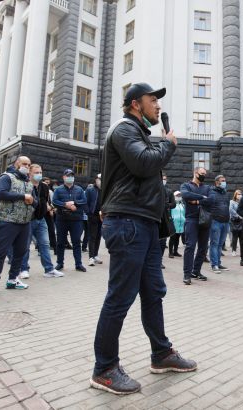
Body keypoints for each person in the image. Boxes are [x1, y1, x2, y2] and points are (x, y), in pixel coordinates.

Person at [92, 82, 195, 395]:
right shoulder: (124, 130)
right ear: (136, 104)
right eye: (153, 100)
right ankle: (104, 368)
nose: (158, 106)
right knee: (120, 296)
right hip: (128, 223)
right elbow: (142, 163)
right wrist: (168, 145)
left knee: (153, 292)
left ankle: (161, 353)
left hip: (146, 225)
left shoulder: (140, 135)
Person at [0, 157, 37, 298]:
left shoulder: (28, 181)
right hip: (8, 221)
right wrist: (23, 196)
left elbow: (34, 200)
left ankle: (13, 279)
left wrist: (33, 201)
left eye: (28, 164)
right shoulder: (6, 177)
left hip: (25, 222)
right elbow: (0, 194)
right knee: (0, 253)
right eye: (24, 164)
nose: (26, 166)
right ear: (17, 164)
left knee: (20, 252)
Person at [17, 164, 64, 279]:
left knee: (45, 244)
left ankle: (49, 269)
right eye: (36, 172)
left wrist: (49, 207)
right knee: (25, 246)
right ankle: (24, 269)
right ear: (30, 173)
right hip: (27, 219)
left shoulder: (44, 187)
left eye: (40, 172)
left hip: (40, 219)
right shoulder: (25, 185)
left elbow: (45, 201)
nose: (39, 175)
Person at [180, 167, 213, 284]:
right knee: (190, 247)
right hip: (191, 220)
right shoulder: (186, 185)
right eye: (202, 173)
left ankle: (196, 271)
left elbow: (212, 199)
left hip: (205, 220)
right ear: (195, 173)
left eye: (205, 174)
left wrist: (197, 201)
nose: (204, 175)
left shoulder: (207, 187)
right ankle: (187, 274)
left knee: (203, 248)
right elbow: (185, 195)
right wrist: (202, 197)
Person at [53, 169, 88, 272]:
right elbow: (54, 201)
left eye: (72, 176)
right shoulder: (58, 190)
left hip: (76, 220)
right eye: (68, 175)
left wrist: (75, 203)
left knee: (76, 242)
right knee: (60, 242)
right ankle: (60, 263)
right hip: (62, 220)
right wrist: (65, 204)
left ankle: (78, 264)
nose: (70, 177)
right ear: (63, 177)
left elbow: (84, 201)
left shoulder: (79, 189)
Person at [208, 175, 230, 273]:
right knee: (214, 243)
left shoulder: (226, 193)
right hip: (215, 221)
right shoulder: (211, 192)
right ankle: (214, 265)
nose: (225, 182)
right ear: (217, 182)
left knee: (220, 244)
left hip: (225, 222)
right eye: (223, 181)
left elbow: (227, 206)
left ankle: (218, 263)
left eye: (225, 180)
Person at [86, 174, 104, 266]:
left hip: (102, 216)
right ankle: (91, 257)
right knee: (92, 236)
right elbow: (86, 202)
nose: (100, 181)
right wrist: (89, 213)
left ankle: (95, 255)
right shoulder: (90, 190)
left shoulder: (105, 190)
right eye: (99, 179)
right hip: (92, 215)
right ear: (96, 179)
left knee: (98, 236)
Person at [160, 174, 176, 268]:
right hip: (156, 218)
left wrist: (166, 205)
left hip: (166, 218)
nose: (164, 180)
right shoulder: (154, 189)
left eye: (165, 179)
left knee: (163, 242)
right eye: (162, 179)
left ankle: (159, 260)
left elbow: (173, 204)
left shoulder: (169, 191)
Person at [42, 177, 57, 253]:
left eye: (48, 183)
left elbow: (51, 201)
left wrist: (51, 208)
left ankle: (55, 248)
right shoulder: (39, 189)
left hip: (48, 213)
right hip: (41, 213)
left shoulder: (49, 191)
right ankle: (39, 248)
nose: (47, 184)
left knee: (51, 230)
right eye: (46, 183)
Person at [169, 190, 185, 258]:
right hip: (174, 223)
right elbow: (170, 213)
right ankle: (170, 252)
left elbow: (184, 213)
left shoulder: (182, 204)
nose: (179, 197)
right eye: (177, 195)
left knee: (177, 238)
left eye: (180, 195)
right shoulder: (172, 204)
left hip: (181, 224)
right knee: (172, 238)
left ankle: (175, 251)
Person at [229, 190, 243, 257]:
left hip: (241, 221)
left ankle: (242, 251)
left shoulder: (242, 202)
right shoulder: (232, 202)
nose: (239, 195)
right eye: (238, 194)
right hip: (234, 221)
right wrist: (238, 216)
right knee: (235, 237)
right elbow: (231, 210)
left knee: (241, 237)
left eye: (240, 194)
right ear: (235, 195)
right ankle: (233, 251)